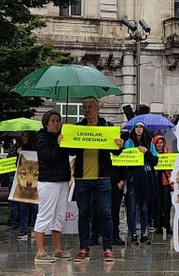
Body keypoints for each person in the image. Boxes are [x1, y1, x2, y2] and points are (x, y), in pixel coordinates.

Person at [67, 97, 122, 263]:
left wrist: (119, 144)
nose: (87, 110)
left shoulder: (107, 127)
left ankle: (107, 248)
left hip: (102, 177)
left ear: (98, 109)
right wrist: (64, 141)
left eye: (90, 107)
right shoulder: (78, 128)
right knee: (84, 214)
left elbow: (116, 153)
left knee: (105, 213)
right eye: (84, 107)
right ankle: (84, 248)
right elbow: (71, 151)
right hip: (82, 178)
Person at [33, 112, 72, 261]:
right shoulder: (42, 138)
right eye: (53, 121)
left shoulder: (61, 136)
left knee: (59, 216)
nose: (56, 124)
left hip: (62, 180)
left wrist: (67, 138)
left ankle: (58, 250)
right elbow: (50, 158)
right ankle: (41, 252)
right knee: (45, 215)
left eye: (58, 121)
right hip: (49, 182)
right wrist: (59, 144)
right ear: (46, 124)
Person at [123, 121, 157, 246]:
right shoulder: (128, 142)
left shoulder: (150, 142)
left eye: (140, 127)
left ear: (144, 129)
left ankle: (143, 233)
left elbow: (155, 160)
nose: (138, 129)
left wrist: (146, 152)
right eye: (136, 127)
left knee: (144, 207)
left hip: (146, 179)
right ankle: (133, 233)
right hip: (133, 178)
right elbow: (124, 158)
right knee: (132, 208)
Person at [150, 134, 173, 237]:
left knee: (166, 205)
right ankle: (158, 226)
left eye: (161, 142)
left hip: (165, 183)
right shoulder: (152, 155)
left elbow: (171, 168)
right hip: (155, 182)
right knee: (156, 205)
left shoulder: (168, 154)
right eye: (157, 143)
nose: (159, 145)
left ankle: (168, 226)